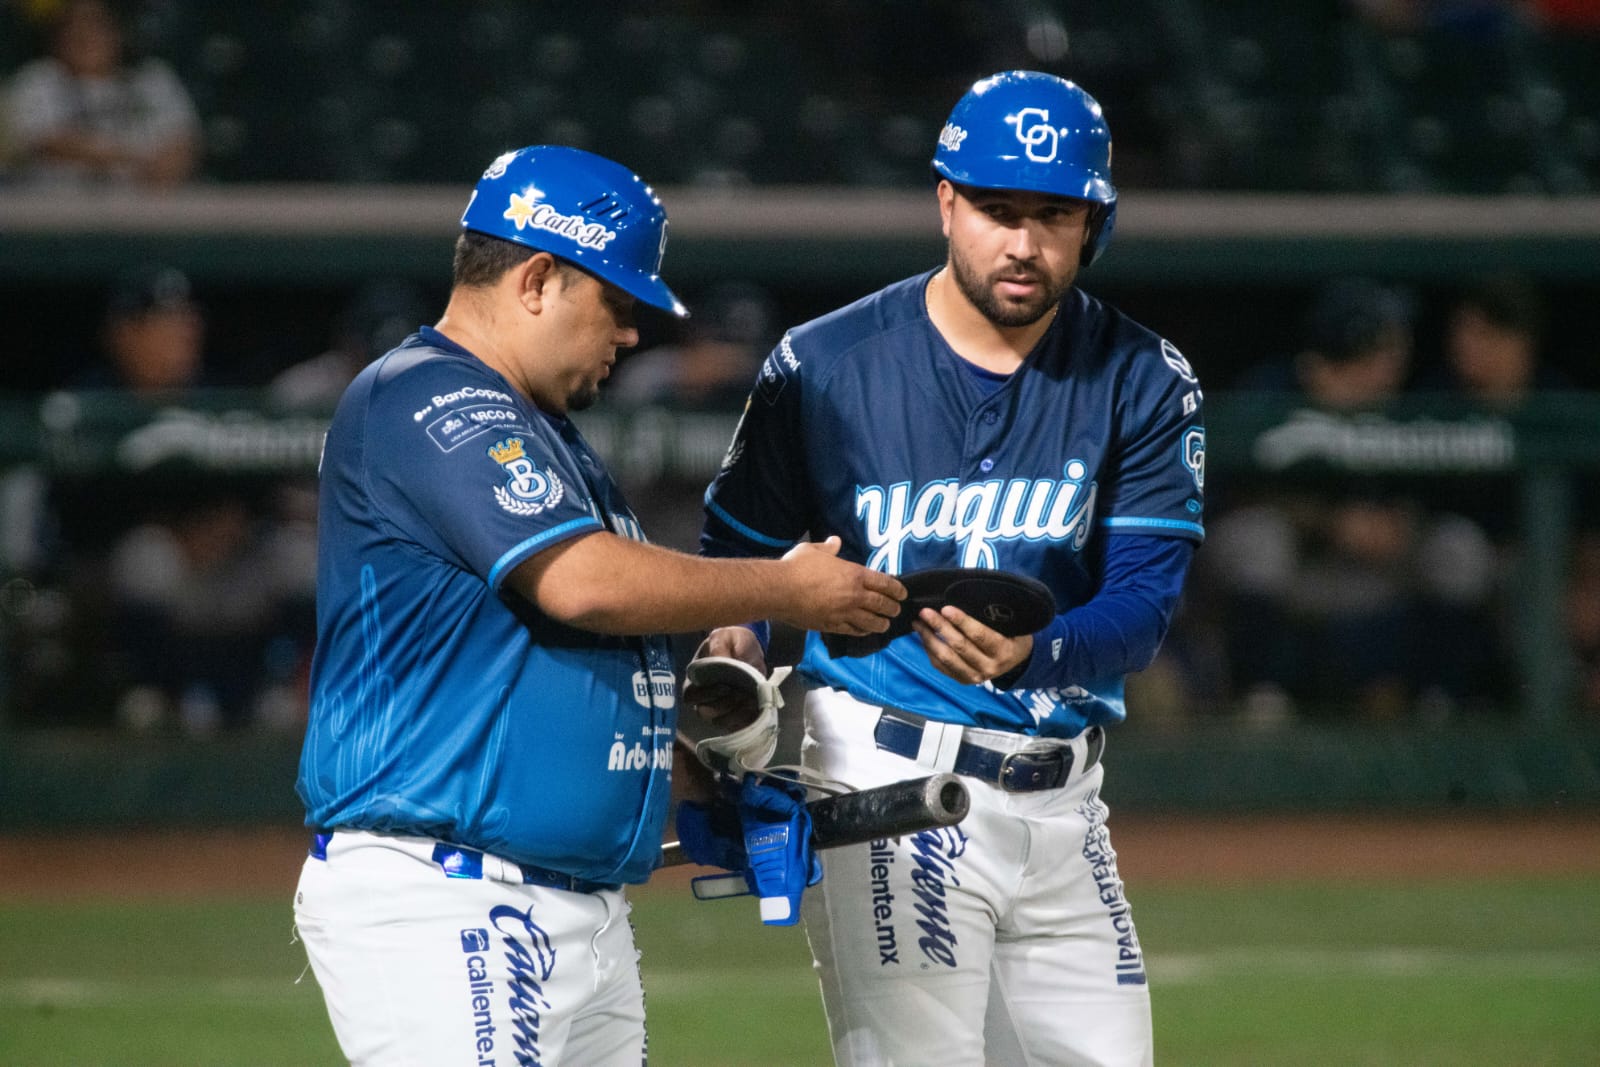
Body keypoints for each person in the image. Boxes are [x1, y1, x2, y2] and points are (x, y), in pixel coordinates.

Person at [291, 144, 906, 1067]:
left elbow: (535, 667)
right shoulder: (426, 395)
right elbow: (583, 584)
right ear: (538, 278)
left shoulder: (552, 437)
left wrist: (701, 783)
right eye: (618, 304)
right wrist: (785, 586)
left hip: (568, 906)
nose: (629, 335)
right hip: (446, 896)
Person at [692, 72, 1204, 1066]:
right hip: (885, 778)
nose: (1022, 241)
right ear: (944, 202)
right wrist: (735, 652)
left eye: (1052, 215)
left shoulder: (1143, 376)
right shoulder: (821, 365)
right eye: (995, 209)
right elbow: (736, 560)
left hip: (1065, 801)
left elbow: (1144, 604)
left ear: (1092, 221)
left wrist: (1037, 649)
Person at [4, 0, 199, 187]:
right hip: (53, 209)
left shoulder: (153, 79)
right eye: (73, 26)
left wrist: (165, 171)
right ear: (57, 36)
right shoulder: (36, 79)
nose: (85, 35)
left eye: (96, 24)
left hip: (146, 208)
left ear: (117, 33)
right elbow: (45, 140)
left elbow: (182, 143)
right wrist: (131, 158)